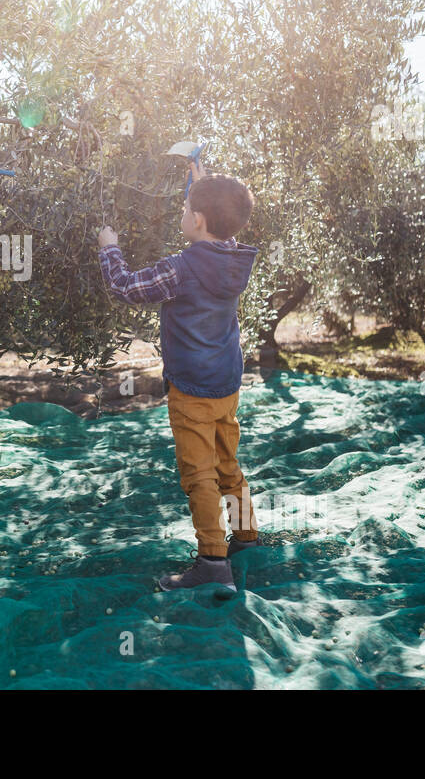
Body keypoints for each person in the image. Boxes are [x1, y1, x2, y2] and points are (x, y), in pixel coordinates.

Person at [97, 164, 261, 593]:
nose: (182, 212)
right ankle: (246, 538)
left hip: (190, 387)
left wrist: (109, 248)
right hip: (227, 383)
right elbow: (222, 225)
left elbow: (127, 287)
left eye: (187, 207)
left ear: (199, 220)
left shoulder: (181, 268)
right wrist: (203, 186)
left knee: (199, 474)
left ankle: (212, 561)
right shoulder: (233, 259)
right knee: (228, 463)